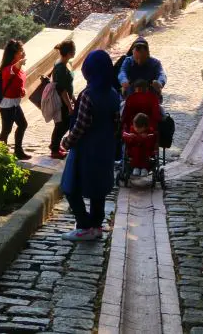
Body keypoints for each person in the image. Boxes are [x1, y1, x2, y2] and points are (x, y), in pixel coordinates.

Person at [60, 50, 120, 241]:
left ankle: (84, 225)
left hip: (86, 150)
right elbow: (116, 122)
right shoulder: (113, 94)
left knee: (70, 186)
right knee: (98, 189)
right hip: (105, 148)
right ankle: (96, 225)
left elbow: (81, 125)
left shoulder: (88, 95)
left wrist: (66, 142)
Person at [0, 39, 31, 160]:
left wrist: (22, 90)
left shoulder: (18, 68)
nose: (23, 53)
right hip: (7, 105)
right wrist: (20, 62)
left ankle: (18, 151)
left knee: (22, 124)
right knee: (6, 130)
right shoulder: (8, 69)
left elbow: (18, 80)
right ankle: (0, 154)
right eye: (20, 51)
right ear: (14, 54)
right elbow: (14, 69)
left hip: (15, 103)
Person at [121, 80, 162, 177]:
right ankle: (143, 168)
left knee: (134, 149)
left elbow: (125, 117)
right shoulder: (152, 98)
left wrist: (125, 132)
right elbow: (157, 116)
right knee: (147, 150)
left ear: (135, 89)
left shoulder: (131, 99)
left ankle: (137, 167)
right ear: (147, 88)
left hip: (134, 133)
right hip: (148, 132)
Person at [49, 40, 77, 160]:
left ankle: (55, 145)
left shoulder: (62, 63)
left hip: (64, 100)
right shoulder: (61, 68)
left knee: (61, 124)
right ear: (69, 52)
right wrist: (70, 106)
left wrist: (73, 99)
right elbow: (62, 90)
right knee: (62, 124)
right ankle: (54, 149)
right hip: (61, 102)